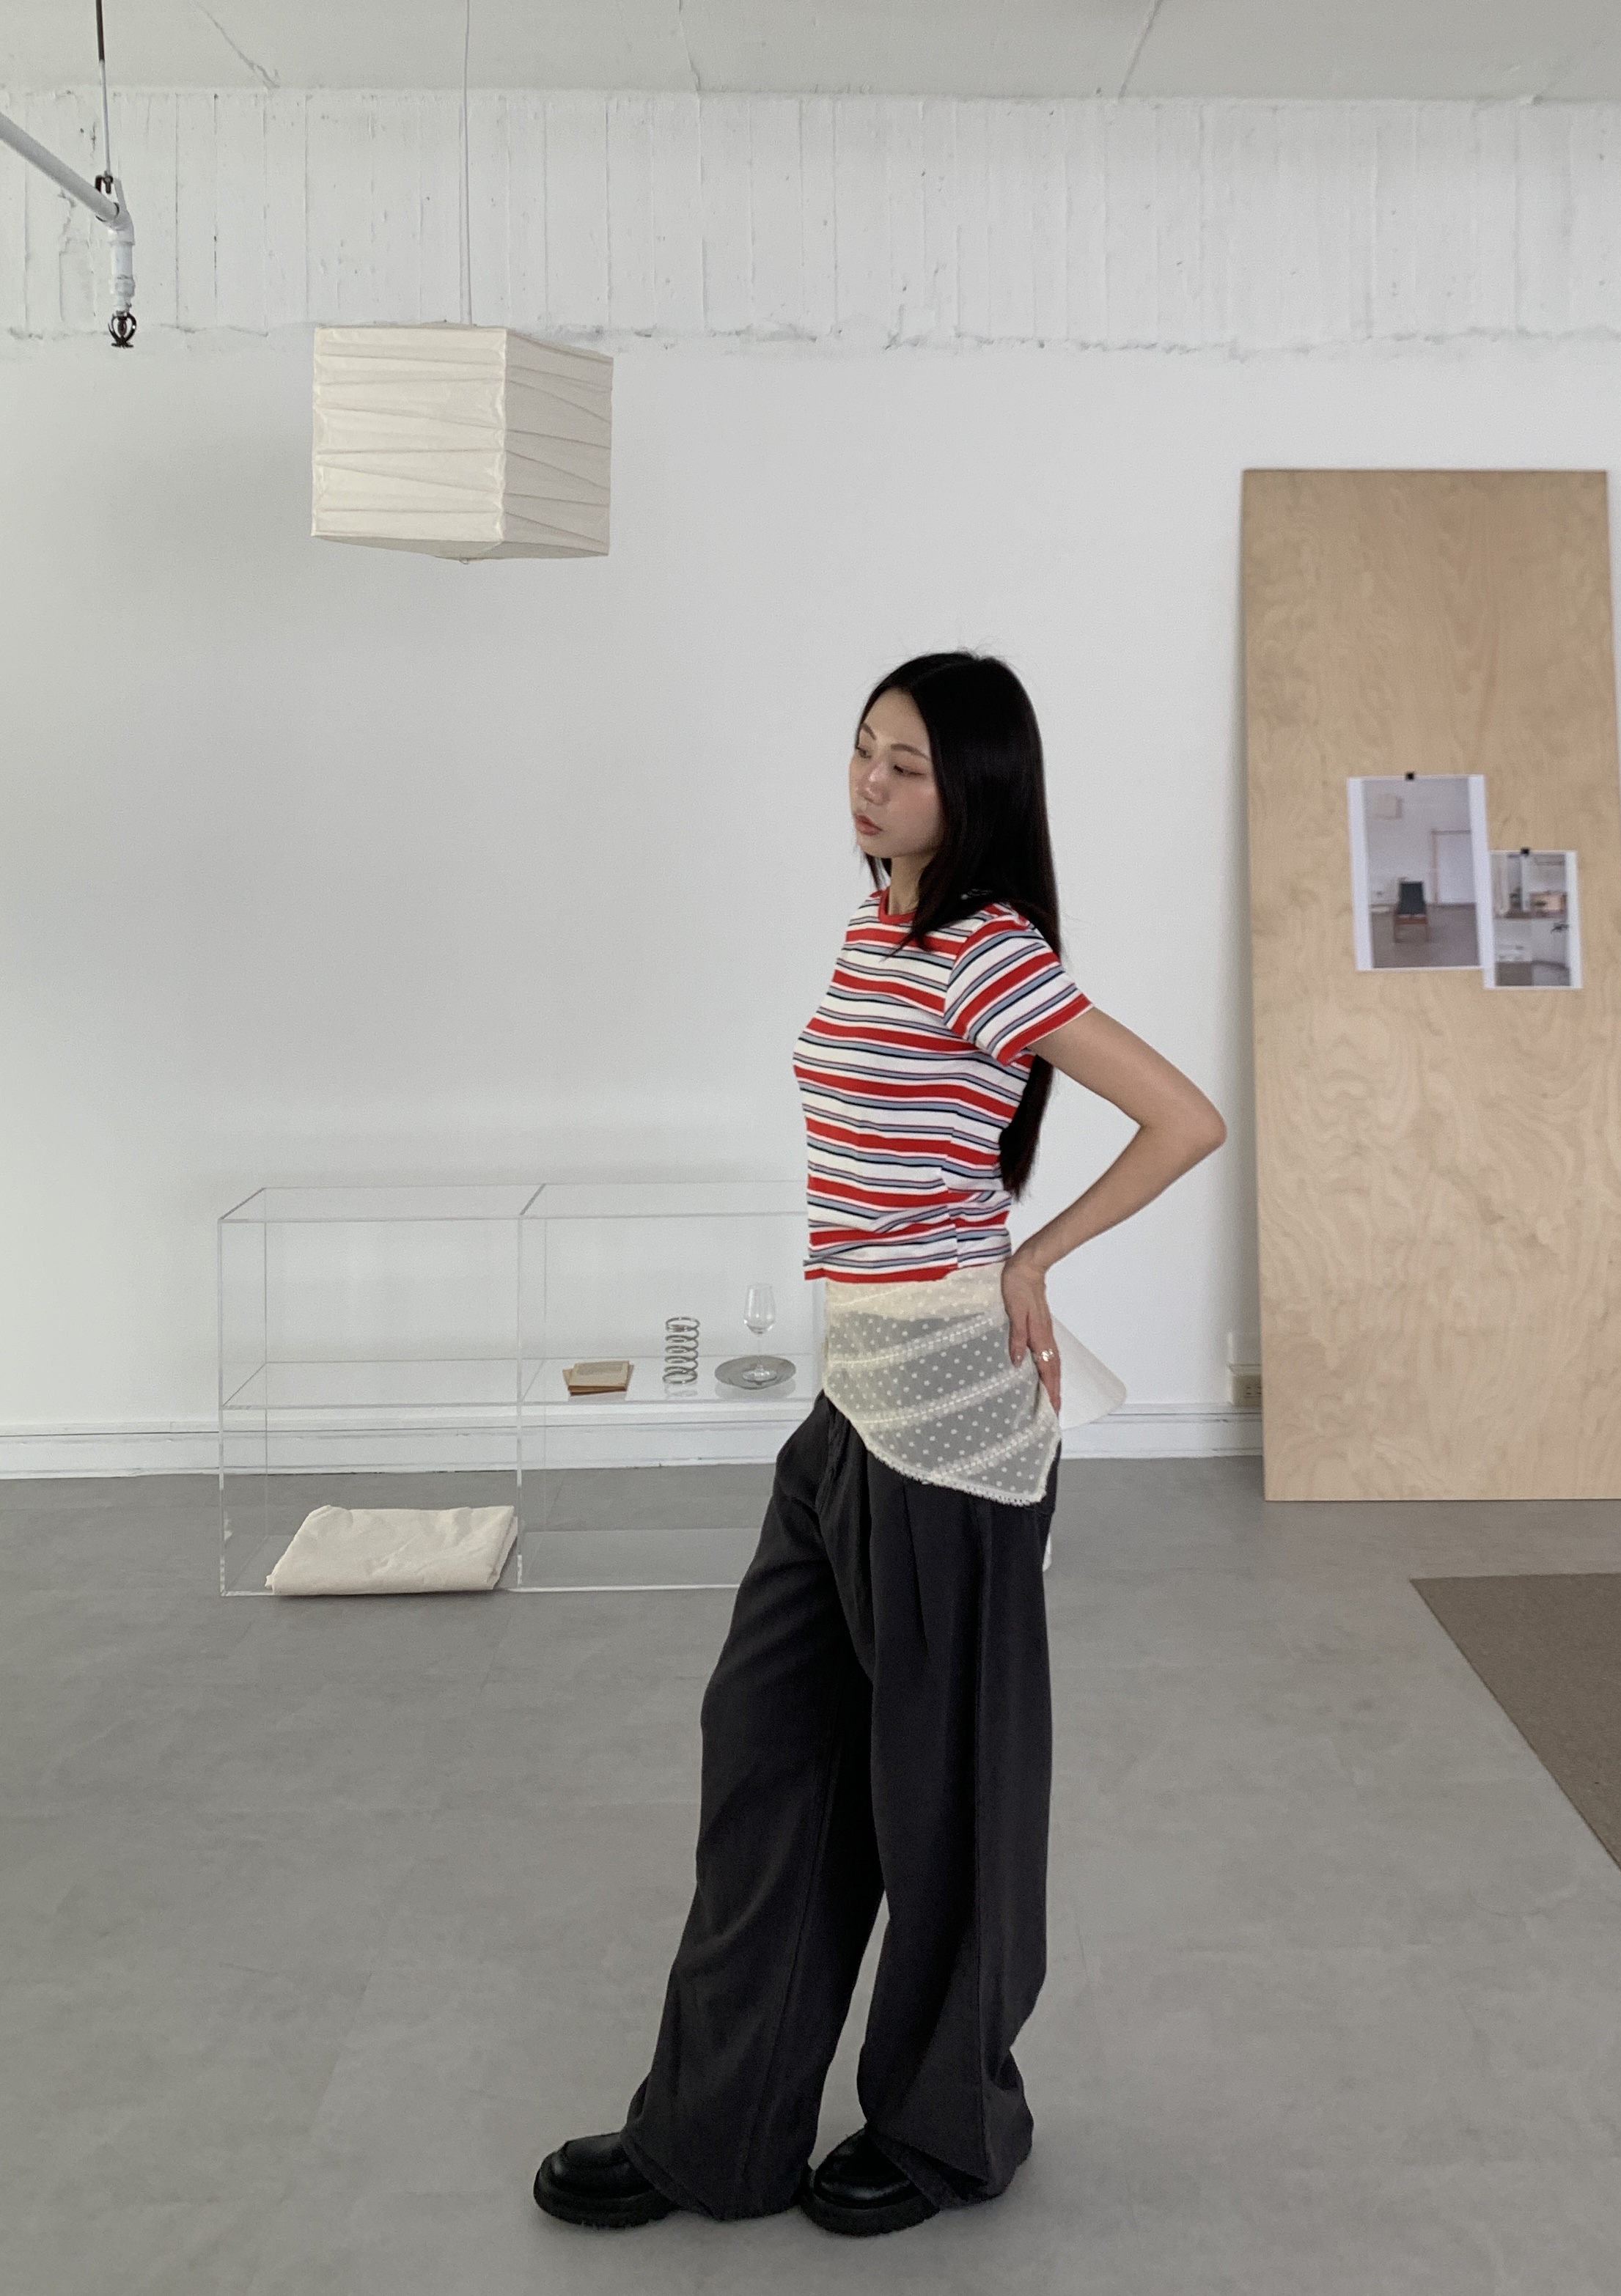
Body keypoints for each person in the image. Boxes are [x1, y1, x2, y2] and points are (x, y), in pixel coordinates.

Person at [534, 652, 1226, 2238]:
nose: (868, 783)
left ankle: (942, 2129)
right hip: (851, 1402)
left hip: (956, 1426)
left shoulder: (987, 949)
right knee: (768, 1755)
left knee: (948, 1802)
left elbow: (1183, 1118)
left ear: (969, 788)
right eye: (861, 751)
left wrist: (1035, 1257)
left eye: (904, 764)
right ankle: (716, 2132)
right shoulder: (877, 927)